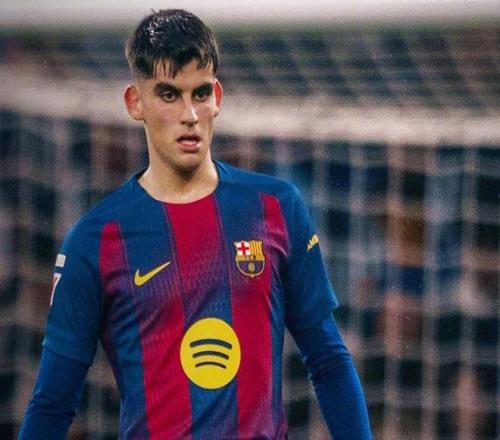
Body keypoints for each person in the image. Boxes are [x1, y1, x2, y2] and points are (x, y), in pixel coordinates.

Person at [19, 9, 372, 439]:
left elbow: (329, 361)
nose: (189, 114)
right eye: (169, 95)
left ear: (217, 96)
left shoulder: (275, 207)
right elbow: (53, 403)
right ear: (135, 102)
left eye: (200, 93)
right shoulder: (95, 240)